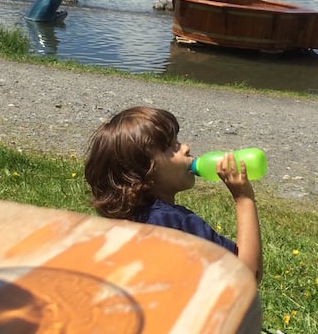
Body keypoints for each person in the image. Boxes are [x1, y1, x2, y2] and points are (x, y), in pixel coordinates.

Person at [84, 106, 263, 282]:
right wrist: (244, 199)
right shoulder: (178, 224)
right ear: (144, 169)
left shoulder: (123, 227)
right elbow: (246, 275)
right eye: (171, 147)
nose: (185, 147)